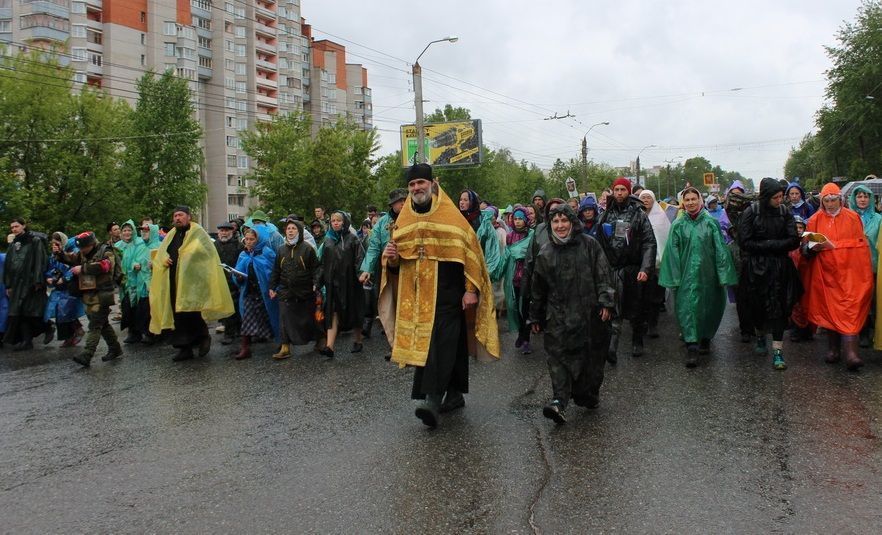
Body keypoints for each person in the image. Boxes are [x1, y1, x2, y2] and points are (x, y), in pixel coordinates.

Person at [378, 163, 500, 429]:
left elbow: (470, 254)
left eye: (421, 183)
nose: (416, 188)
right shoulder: (404, 221)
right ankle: (454, 394)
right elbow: (398, 264)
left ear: (432, 184)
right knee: (448, 345)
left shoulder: (451, 216)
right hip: (418, 296)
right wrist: (392, 259)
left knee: (439, 345)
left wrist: (470, 290)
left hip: (449, 293)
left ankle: (432, 401)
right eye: (412, 185)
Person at [529, 204, 615, 424]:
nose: (560, 226)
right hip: (557, 317)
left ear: (572, 222)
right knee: (557, 358)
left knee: (590, 363)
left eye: (564, 220)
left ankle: (588, 394)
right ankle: (559, 401)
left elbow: (603, 275)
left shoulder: (590, 245)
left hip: (589, 316)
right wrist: (535, 316)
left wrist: (606, 302)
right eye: (555, 221)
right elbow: (538, 288)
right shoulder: (545, 253)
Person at [659, 187, 738, 367]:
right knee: (686, 309)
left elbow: (720, 250)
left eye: (693, 199)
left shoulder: (711, 223)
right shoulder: (678, 225)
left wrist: (723, 274)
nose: (691, 203)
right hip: (686, 276)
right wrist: (674, 276)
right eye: (687, 200)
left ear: (700, 200)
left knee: (709, 307)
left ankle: (705, 338)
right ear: (683, 203)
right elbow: (672, 252)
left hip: (708, 276)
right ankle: (691, 346)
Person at [801, 184, 873, 370]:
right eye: (827, 200)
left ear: (840, 199)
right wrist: (811, 248)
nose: (830, 203)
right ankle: (834, 349)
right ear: (822, 201)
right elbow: (805, 247)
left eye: (834, 200)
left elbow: (862, 247)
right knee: (829, 309)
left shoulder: (853, 217)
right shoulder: (815, 220)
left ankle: (851, 353)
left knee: (850, 310)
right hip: (825, 274)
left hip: (850, 274)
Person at [149, 206, 234, 361]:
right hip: (173, 281)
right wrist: (164, 259)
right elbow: (161, 253)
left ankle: (203, 337)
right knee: (177, 315)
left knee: (192, 312)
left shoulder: (198, 232)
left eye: (180, 215)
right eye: (175, 216)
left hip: (193, 282)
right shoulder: (171, 235)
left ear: (188, 217)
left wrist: (188, 256)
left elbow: (207, 254)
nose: (177, 218)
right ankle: (184, 348)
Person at [737, 178, 803, 370]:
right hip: (756, 268)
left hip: (780, 267)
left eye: (781, 196)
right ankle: (759, 335)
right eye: (776, 197)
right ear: (766, 197)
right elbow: (744, 241)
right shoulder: (751, 212)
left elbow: (794, 240)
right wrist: (772, 246)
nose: (779, 200)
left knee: (780, 308)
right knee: (756, 305)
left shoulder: (784, 212)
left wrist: (769, 246)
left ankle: (777, 350)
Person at [595, 177, 656, 362]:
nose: (619, 193)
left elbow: (649, 242)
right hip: (612, 269)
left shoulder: (639, 214)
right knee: (613, 307)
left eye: (623, 189)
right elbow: (598, 244)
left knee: (636, 308)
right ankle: (612, 347)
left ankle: (637, 340)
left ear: (628, 192)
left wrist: (645, 267)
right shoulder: (606, 214)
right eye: (617, 189)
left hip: (633, 270)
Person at [56, 232, 123, 367]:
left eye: (84, 247)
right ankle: (115, 348)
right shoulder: (82, 253)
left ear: (91, 244)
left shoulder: (106, 251)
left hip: (103, 293)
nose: (82, 250)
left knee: (94, 325)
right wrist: (60, 254)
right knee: (102, 323)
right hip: (89, 293)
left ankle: (87, 354)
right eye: (80, 248)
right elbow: (71, 258)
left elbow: (105, 266)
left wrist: (83, 268)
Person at [269, 219, 320, 359]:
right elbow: (276, 270)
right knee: (284, 317)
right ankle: (285, 347)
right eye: (288, 228)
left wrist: (316, 283)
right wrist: (272, 287)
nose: (290, 231)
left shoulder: (307, 248)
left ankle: (320, 341)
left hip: (305, 290)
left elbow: (316, 268)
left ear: (299, 231)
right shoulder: (281, 249)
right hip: (285, 290)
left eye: (293, 228)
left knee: (309, 318)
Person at [319, 211, 365, 357]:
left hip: (351, 283)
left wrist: (361, 274)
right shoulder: (327, 241)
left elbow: (360, 258)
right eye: (333, 221)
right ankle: (330, 346)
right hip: (333, 284)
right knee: (332, 312)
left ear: (344, 222)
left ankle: (358, 340)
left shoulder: (353, 239)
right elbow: (322, 264)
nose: (336, 223)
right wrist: (317, 281)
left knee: (354, 311)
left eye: (338, 220)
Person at [232, 226, 279, 360]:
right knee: (247, 317)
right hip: (249, 292)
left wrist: (273, 287)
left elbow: (274, 273)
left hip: (265, 293)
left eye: (252, 239)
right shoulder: (243, 255)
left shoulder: (267, 253)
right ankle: (245, 348)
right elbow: (237, 272)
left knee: (272, 317)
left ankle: (281, 343)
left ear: (258, 240)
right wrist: (238, 277)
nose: (248, 242)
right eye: (246, 239)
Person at [4, 218, 49, 350]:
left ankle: (48, 327)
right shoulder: (13, 244)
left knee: (31, 312)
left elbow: (40, 260)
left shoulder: (34, 241)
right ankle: (26, 341)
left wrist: (38, 280)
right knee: (19, 313)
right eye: (12, 227)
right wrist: (8, 285)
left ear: (23, 226)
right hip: (17, 284)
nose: (14, 229)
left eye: (16, 226)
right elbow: (8, 265)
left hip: (30, 282)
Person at [848, 184, 881, 347]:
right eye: (859, 196)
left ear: (871, 199)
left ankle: (875, 331)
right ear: (854, 199)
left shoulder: (878, 219)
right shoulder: (848, 217)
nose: (862, 199)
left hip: (873, 265)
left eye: (866, 196)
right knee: (858, 300)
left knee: (874, 299)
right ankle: (862, 331)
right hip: (854, 267)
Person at [638, 190, 671, 338]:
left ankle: (653, 324)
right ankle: (642, 323)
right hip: (641, 263)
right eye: (643, 197)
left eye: (648, 197)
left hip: (658, 264)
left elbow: (666, 238)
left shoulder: (661, 217)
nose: (645, 200)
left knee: (656, 296)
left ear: (653, 200)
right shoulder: (636, 216)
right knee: (641, 296)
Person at [44, 233, 85, 348]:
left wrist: (65, 278)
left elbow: (73, 268)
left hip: (70, 287)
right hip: (58, 287)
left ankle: (75, 332)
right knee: (60, 313)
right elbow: (51, 268)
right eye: (53, 243)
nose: (55, 246)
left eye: (57, 243)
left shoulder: (73, 251)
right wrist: (49, 277)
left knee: (67, 312)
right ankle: (68, 337)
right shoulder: (54, 255)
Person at [503, 206, 534, 353]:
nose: (517, 221)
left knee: (525, 309)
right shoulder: (509, 237)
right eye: (515, 219)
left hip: (527, 279)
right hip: (513, 278)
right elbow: (506, 256)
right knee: (514, 307)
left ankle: (526, 338)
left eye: (520, 218)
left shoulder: (532, 235)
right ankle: (520, 333)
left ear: (526, 219)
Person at [117, 220, 152, 344]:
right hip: (124, 282)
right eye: (124, 230)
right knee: (127, 308)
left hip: (138, 281)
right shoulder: (118, 246)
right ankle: (132, 332)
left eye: (129, 230)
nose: (127, 233)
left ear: (133, 231)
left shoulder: (140, 243)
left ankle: (145, 332)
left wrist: (135, 264)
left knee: (140, 308)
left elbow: (143, 259)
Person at [459, 190, 504, 283]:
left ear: (472, 202)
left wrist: (486, 274)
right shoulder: (457, 219)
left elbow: (492, 250)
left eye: (465, 200)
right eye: (460, 200)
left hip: (479, 272)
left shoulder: (484, 223)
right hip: (459, 271)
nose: (462, 202)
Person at [215, 221, 244, 345]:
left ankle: (237, 331)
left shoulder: (238, 245)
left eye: (226, 230)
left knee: (237, 307)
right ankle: (229, 333)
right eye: (222, 231)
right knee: (226, 308)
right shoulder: (214, 246)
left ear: (232, 231)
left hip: (235, 281)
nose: (224, 233)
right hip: (220, 281)